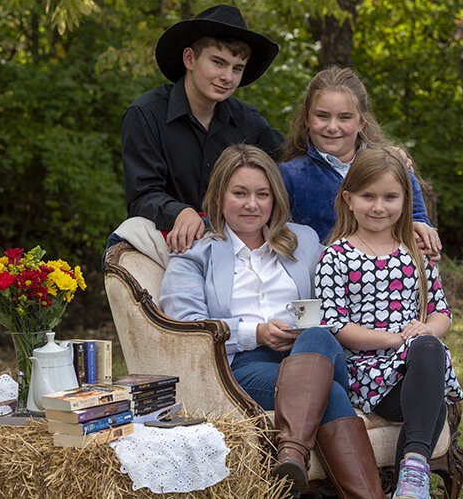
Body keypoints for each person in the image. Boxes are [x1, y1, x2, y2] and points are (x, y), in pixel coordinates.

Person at [160, 144, 385, 499]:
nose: (252, 204)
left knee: (317, 337)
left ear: (275, 198)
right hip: (244, 367)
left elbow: (344, 283)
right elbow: (185, 325)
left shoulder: (305, 240)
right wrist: (255, 333)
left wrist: (413, 229)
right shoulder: (195, 252)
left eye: (262, 194)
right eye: (240, 193)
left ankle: (291, 454)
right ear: (219, 197)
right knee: (329, 390)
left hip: (314, 351)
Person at [314, 147, 463, 499]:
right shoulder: (336, 255)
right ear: (349, 199)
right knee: (433, 402)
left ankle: (409, 480)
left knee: (429, 345)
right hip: (369, 375)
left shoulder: (415, 251)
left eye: (390, 197)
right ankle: (412, 477)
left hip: (416, 364)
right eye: (368, 196)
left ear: (405, 200)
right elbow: (336, 326)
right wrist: (397, 339)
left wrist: (424, 330)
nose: (379, 206)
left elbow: (441, 313)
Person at [107, 4, 283, 264]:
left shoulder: (248, 122)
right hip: (170, 244)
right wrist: (180, 211)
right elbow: (142, 194)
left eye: (237, 68)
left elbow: (289, 165)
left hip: (233, 247)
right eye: (218, 62)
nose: (227, 77)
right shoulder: (146, 114)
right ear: (190, 59)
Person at [279, 66, 441, 256]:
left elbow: (418, 224)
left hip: (389, 279)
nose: (332, 127)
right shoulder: (290, 174)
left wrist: (424, 240)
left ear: (361, 122)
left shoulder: (391, 166)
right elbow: (276, 237)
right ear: (306, 118)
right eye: (322, 116)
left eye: (344, 117)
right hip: (321, 281)